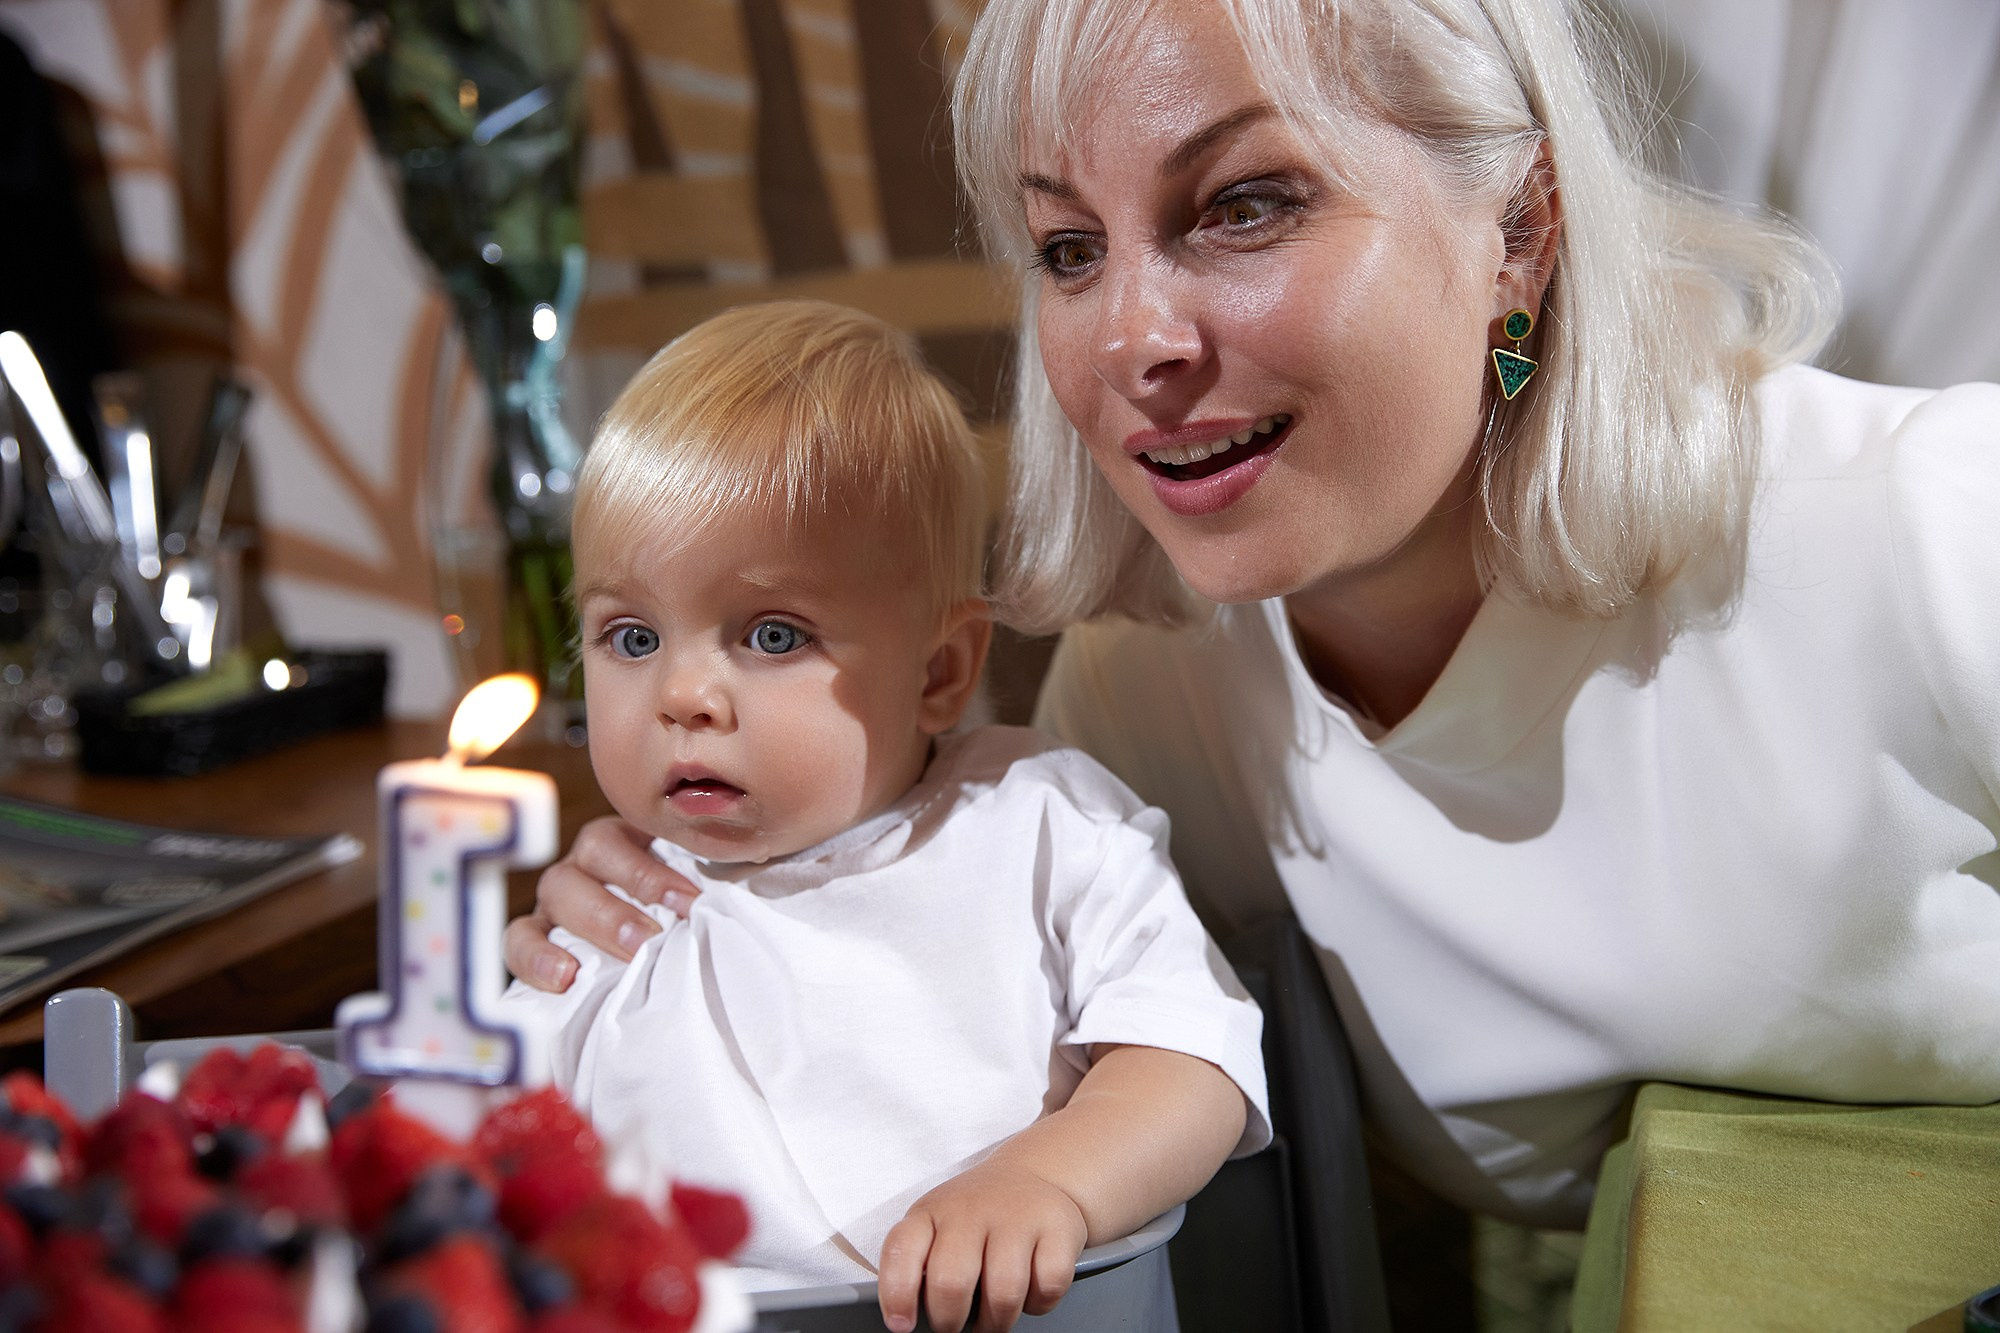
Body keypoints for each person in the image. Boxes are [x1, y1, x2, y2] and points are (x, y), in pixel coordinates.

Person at [506, 0, 2000, 1238]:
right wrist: (680, 897)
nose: (1134, 342)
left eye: (1244, 205)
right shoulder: (1152, 695)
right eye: (1071, 249)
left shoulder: (1935, 520)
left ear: (1521, 233)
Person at [495, 299, 1268, 1333]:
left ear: (939, 669)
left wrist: (1048, 1181)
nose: (682, 694)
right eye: (630, 637)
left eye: (770, 634)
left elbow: (1193, 1057)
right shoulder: (612, 920)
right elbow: (470, 1171)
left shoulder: (1034, 824)